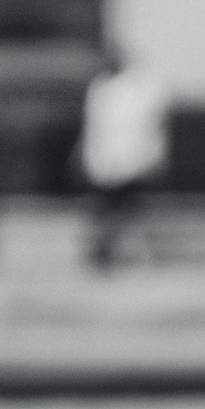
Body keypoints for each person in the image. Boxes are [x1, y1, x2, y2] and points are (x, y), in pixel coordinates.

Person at [79, 48, 170, 271]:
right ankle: (113, 253)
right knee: (115, 209)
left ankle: (124, 253)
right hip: (106, 163)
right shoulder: (100, 88)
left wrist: (151, 155)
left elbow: (150, 126)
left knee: (125, 210)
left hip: (131, 162)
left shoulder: (138, 87)